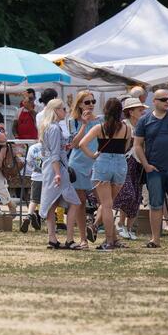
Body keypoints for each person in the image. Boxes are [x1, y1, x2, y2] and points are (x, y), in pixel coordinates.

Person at [133, 89, 168, 249]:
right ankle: (155, 240)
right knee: (156, 205)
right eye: (164, 99)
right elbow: (137, 145)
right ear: (155, 101)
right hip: (154, 171)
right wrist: (146, 165)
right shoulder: (144, 120)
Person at [79, 98, 131, 251]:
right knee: (109, 204)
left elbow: (82, 144)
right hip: (121, 164)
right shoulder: (127, 128)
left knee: (106, 205)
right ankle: (112, 239)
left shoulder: (99, 128)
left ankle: (109, 241)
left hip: (103, 163)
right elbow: (127, 146)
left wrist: (93, 155)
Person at [38, 99, 81, 249]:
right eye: (63, 108)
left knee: (52, 203)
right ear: (56, 110)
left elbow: (53, 151)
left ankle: (53, 239)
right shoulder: (55, 128)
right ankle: (68, 239)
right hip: (57, 169)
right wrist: (58, 173)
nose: (66, 111)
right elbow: (55, 154)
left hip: (51, 168)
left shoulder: (48, 126)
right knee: (74, 202)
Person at [68, 90, 102, 245]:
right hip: (78, 163)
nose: (91, 105)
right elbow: (74, 144)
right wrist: (84, 124)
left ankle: (95, 227)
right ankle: (83, 239)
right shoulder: (73, 120)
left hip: (97, 162)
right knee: (80, 202)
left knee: (104, 202)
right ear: (80, 104)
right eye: (87, 102)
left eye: (93, 102)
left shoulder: (101, 120)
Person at [113, 97, 146, 240]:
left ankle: (129, 227)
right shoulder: (123, 125)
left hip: (139, 163)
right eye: (140, 110)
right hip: (125, 162)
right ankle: (120, 223)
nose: (142, 112)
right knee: (128, 193)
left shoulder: (142, 125)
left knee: (137, 196)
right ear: (131, 112)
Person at [19, 141, 43, 233]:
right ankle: (52, 225)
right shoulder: (52, 147)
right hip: (49, 178)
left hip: (36, 176)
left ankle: (29, 215)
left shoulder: (33, 148)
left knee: (34, 200)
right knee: (49, 202)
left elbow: (29, 162)